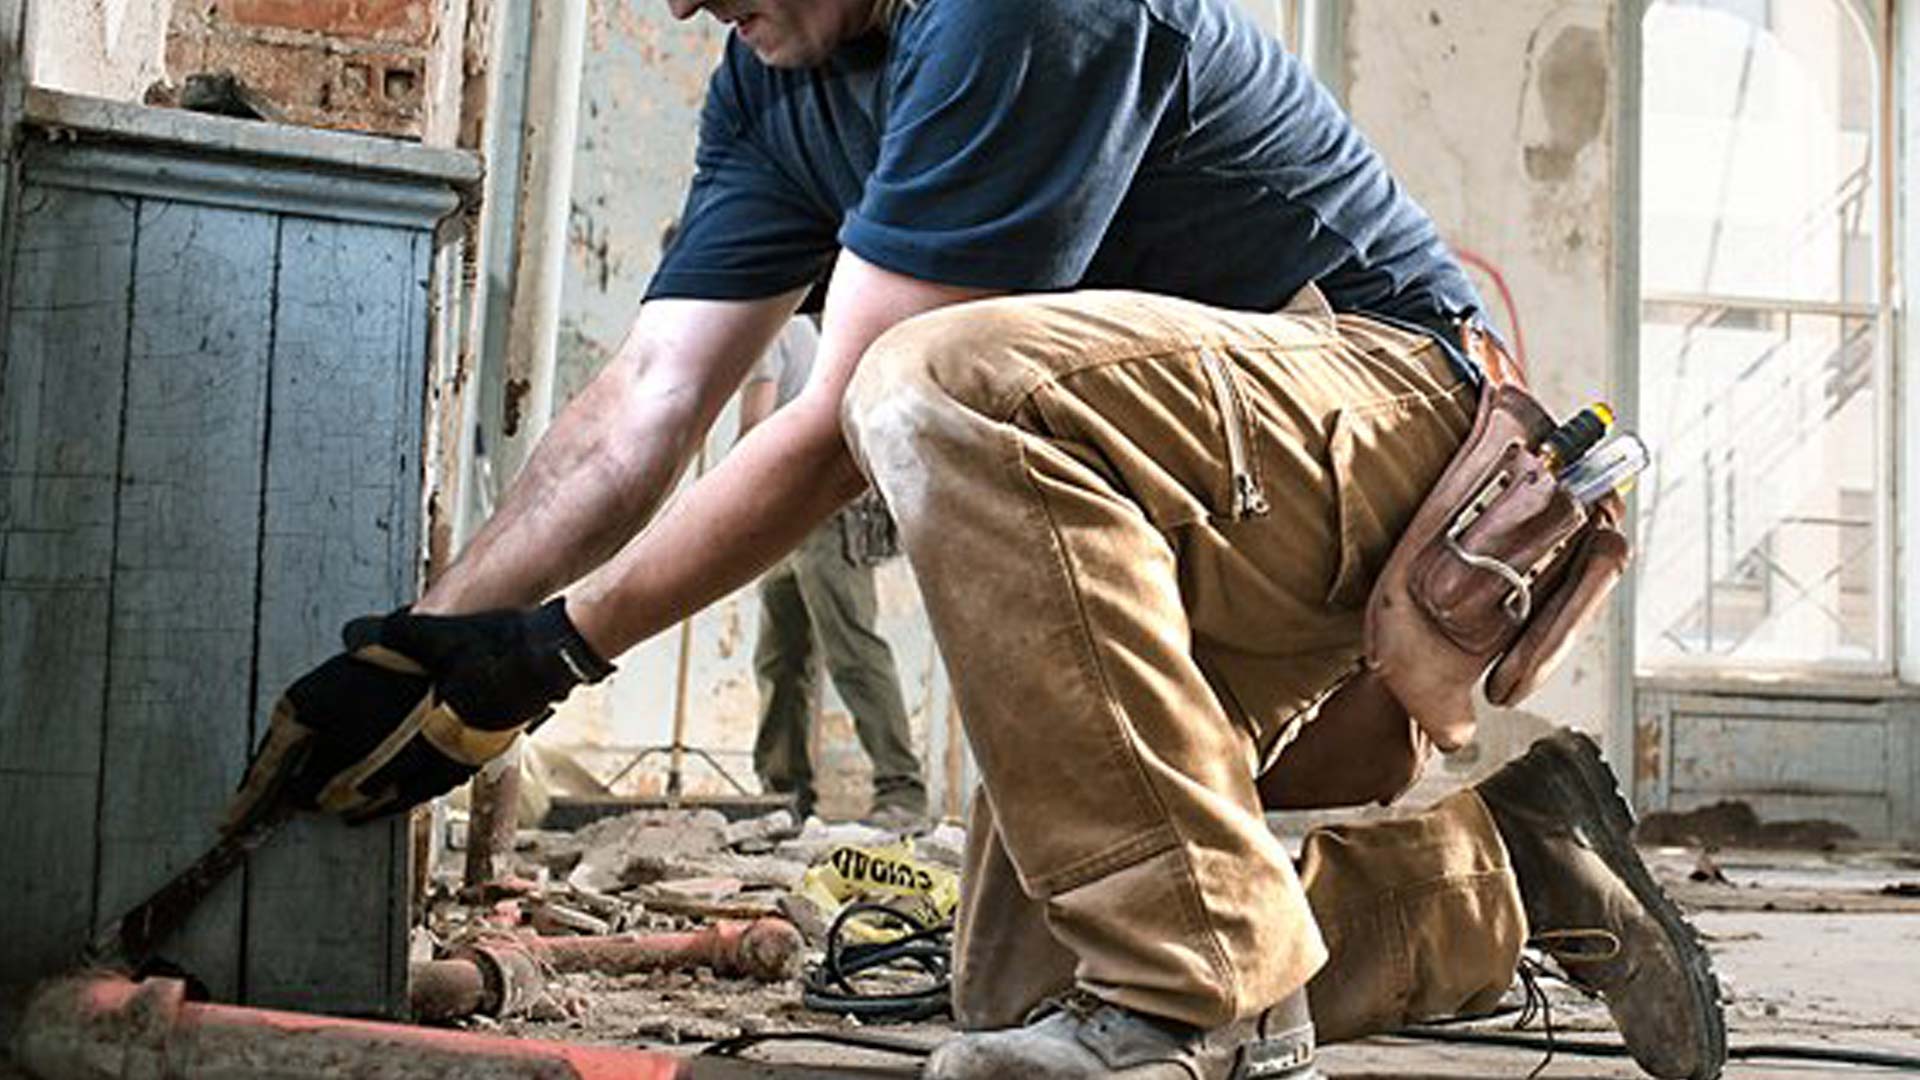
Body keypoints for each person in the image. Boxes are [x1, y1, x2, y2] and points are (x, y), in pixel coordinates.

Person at [224, 2, 1726, 1078]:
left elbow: (846, 425)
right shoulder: (766, 82)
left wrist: (552, 654)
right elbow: (647, 400)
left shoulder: (1020, 13)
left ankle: (1201, 1004)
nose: (681, 3)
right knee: (1024, 992)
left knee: (918, 383)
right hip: (1185, 472)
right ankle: (1508, 873)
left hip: (1388, 420)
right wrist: (433, 642)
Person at [739, 312, 928, 827]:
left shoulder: (766, 330)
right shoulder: (791, 327)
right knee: (780, 658)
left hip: (819, 511)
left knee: (852, 651)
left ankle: (902, 794)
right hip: (787, 515)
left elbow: (752, 434)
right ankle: (784, 797)